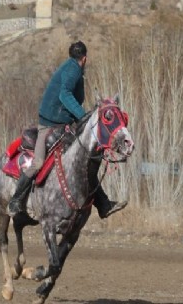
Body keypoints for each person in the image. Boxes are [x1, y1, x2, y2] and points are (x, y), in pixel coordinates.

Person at [8, 41, 127, 218]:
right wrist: (82, 116)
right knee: (38, 162)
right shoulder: (73, 70)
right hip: (48, 126)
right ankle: (16, 200)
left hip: (62, 125)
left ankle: (103, 204)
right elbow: (65, 94)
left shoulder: (72, 69)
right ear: (84, 58)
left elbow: (72, 98)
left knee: (84, 160)